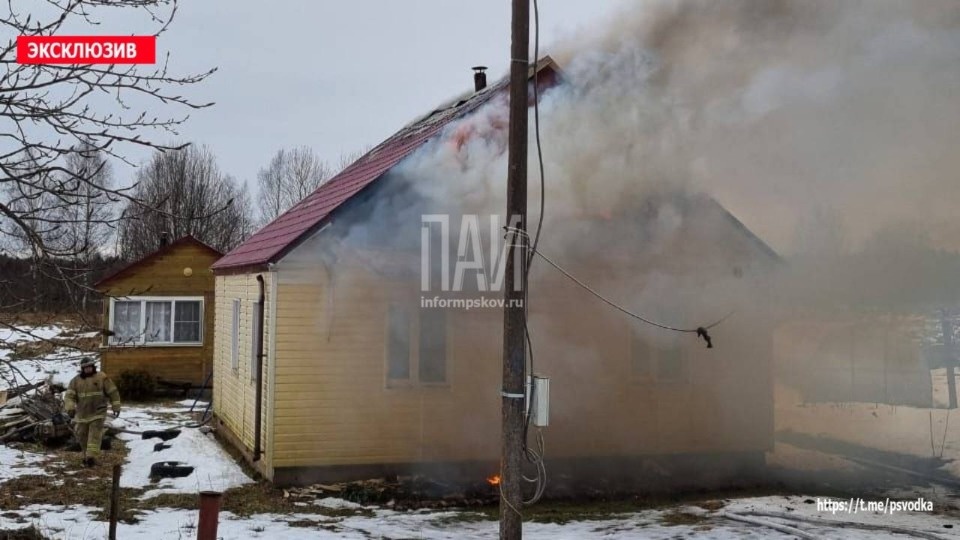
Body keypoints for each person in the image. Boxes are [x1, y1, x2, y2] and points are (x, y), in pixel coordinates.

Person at [63, 357, 121, 467]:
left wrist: (116, 406)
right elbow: (69, 396)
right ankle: (86, 456)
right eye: (85, 368)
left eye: (90, 367)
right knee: (81, 435)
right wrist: (70, 408)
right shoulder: (75, 381)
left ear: (93, 367)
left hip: (98, 413)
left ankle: (91, 457)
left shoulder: (102, 377)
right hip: (82, 415)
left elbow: (113, 392)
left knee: (94, 436)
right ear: (82, 369)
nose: (88, 369)